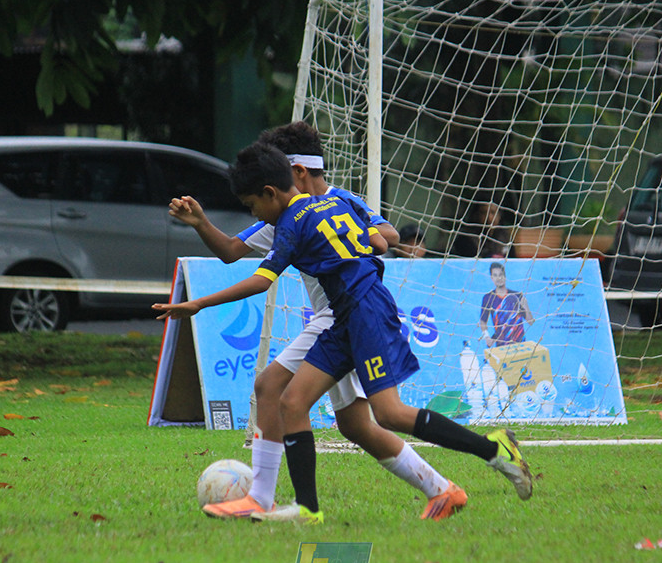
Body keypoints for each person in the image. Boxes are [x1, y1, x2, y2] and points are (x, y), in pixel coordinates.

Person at [153, 142, 533, 524]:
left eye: (253, 206)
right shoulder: (336, 202)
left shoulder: (290, 223)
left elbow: (260, 281)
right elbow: (381, 241)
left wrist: (198, 304)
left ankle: (493, 449)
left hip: (365, 312)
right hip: (344, 313)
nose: (255, 215)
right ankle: (307, 509)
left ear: (270, 193)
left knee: (389, 413)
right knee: (292, 401)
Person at [479, 262, 534, 347]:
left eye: (501, 274)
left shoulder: (517, 296)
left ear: (505, 276)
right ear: (492, 278)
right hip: (501, 346)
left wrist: (525, 305)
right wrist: (487, 337)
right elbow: (483, 321)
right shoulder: (488, 298)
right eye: (495, 275)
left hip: (520, 345)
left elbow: (530, 322)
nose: (499, 278)